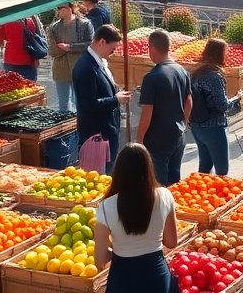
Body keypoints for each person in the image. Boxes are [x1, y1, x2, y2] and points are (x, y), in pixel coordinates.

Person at [94, 143, 179, 293]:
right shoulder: (164, 195)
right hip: (157, 277)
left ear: (118, 171)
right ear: (148, 168)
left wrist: (122, 249)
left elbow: (100, 260)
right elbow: (171, 242)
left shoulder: (106, 207)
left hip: (123, 280)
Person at [74, 25, 134, 173]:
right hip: (97, 134)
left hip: (106, 130)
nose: (113, 52)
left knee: (107, 172)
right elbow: (89, 105)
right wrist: (116, 99)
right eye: (112, 48)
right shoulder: (86, 67)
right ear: (101, 42)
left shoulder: (97, 62)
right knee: (98, 176)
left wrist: (115, 90)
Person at [137, 29, 191, 186]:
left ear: (152, 48)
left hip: (157, 140)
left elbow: (147, 112)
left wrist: (140, 139)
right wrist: (184, 124)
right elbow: (189, 101)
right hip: (178, 136)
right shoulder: (182, 71)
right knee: (175, 183)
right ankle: (173, 209)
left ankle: (161, 210)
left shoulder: (152, 77)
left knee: (157, 185)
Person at [190, 38, 241, 176]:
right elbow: (222, 106)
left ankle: (200, 193)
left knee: (204, 167)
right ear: (219, 54)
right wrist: (237, 98)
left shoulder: (196, 73)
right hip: (213, 127)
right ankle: (219, 196)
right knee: (222, 171)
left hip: (196, 126)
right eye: (226, 52)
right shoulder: (214, 76)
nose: (227, 55)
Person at [50, 2, 95, 113]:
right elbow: (51, 49)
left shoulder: (84, 24)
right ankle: (64, 128)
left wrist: (70, 47)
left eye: (61, 8)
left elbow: (91, 44)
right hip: (61, 69)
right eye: (58, 8)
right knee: (63, 105)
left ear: (70, 8)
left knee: (80, 102)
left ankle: (81, 127)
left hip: (79, 69)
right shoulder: (54, 27)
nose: (59, 10)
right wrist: (60, 49)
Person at [0, 15, 44, 81]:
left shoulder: (6, 22)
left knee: (12, 88)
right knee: (30, 88)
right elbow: (38, 40)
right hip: (29, 60)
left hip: (11, 61)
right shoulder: (31, 21)